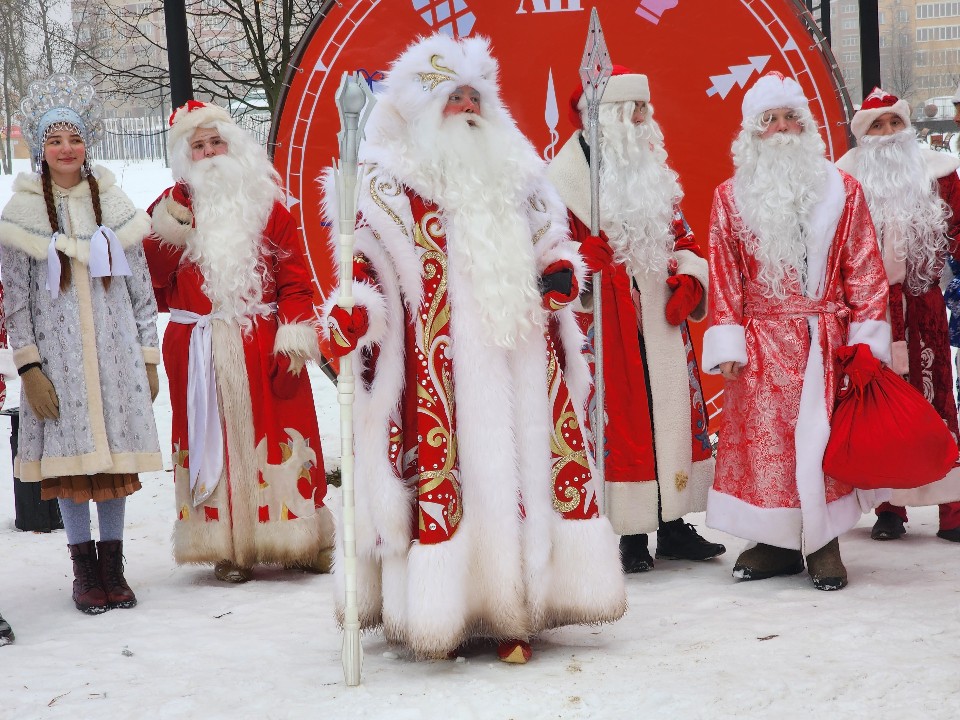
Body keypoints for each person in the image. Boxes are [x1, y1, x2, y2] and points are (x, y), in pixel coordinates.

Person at [321, 33, 626, 663]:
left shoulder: (519, 175)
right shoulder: (386, 188)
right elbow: (368, 281)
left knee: (523, 475)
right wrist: (355, 314)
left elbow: (551, 245)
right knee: (450, 475)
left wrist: (560, 270)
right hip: (441, 375)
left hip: (519, 360)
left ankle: (520, 603)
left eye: (472, 96)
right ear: (424, 111)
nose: (464, 106)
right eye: (450, 97)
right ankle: (449, 610)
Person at [701, 72, 891, 591]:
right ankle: (776, 541)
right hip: (760, 341)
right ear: (752, 133)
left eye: (791, 118)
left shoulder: (842, 190)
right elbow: (724, 274)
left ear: (806, 126)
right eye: (771, 120)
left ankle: (823, 541)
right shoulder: (729, 198)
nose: (783, 128)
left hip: (825, 341)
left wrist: (866, 342)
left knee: (821, 440)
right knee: (770, 445)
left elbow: (865, 268)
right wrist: (728, 338)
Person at [145, 101, 334, 583]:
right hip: (200, 348)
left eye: (216, 142)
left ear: (235, 145)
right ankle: (226, 546)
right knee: (215, 439)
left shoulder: (268, 206)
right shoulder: (168, 209)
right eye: (198, 145)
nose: (209, 153)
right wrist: (168, 235)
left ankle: (301, 538)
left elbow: (295, 280)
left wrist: (293, 337)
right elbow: (152, 284)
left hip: (262, 341)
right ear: (185, 156)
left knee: (283, 434)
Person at [547, 67, 724, 573]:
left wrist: (691, 278)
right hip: (602, 321)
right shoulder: (562, 182)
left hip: (659, 319)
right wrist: (581, 262)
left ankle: (672, 525)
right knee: (619, 423)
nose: (646, 119)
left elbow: (683, 236)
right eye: (634, 110)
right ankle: (627, 534)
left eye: (645, 108)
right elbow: (547, 256)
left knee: (664, 414)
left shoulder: (651, 171)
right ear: (603, 117)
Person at [0, 74, 162, 614]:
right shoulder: (22, 217)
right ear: (39, 148)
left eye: (74, 138)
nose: (66, 149)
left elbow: (141, 291)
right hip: (60, 367)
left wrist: (147, 357)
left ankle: (113, 566)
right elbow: (16, 300)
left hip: (114, 363)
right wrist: (29, 367)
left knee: (112, 467)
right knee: (70, 471)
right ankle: (83, 568)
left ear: (87, 144)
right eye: (54, 140)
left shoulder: (113, 206)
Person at [835, 88, 960, 542]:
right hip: (871, 310)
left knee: (937, 401)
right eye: (876, 126)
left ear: (908, 128)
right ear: (862, 137)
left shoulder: (939, 174)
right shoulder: (844, 183)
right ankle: (889, 507)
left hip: (923, 305)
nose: (888, 134)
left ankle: (952, 506)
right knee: (882, 408)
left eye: (895, 123)